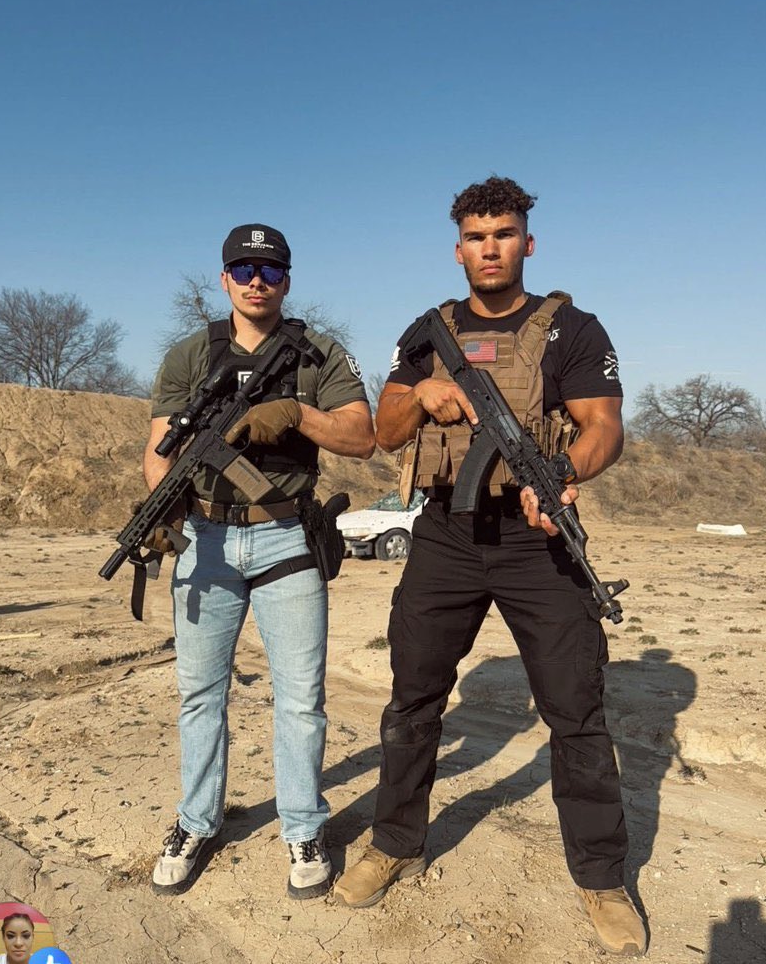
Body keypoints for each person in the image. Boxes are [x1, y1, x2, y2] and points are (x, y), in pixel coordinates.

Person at [334, 177, 647, 957]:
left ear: (527, 242)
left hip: (536, 535)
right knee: (413, 696)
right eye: (477, 236)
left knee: (575, 709)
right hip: (444, 532)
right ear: (458, 247)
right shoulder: (429, 330)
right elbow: (384, 426)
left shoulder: (570, 327)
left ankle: (603, 876)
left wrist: (567, 473)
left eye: (504, 233)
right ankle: (395, 842)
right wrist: (430, 391)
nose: (491, 248)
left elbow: (603, 426)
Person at [147, 223, 375, 899]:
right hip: (206, 536)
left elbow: (361, 436)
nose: (256, 281)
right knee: (199, 692)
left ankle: (303, 825)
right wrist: (159, 510)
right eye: (243, 269)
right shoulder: (190, 354)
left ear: (287, 281)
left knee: (301, 698)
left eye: (270, 271)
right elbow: (159, 448)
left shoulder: (318, 353)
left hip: (286, 538)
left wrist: (296, 414)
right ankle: (198, 820)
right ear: (224, 279)